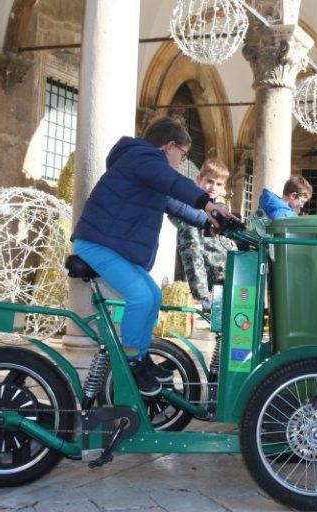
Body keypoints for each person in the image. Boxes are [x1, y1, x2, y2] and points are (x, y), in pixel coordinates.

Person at [71, 116, 237, 396]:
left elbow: (178, 205)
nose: (181, 162)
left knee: (153, 296)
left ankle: (142, 357)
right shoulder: (143, 158)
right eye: (182, 155)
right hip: (96, 244)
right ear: (168, 146)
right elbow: (174, 184)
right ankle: (133, 363)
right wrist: (209, 205)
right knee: (141, 297)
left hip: (111, 246)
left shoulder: (148, 171)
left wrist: (211, 222)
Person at [170, 158, 237, 308]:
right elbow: (192, 250)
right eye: (210, 181)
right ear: (199, 179)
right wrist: (203, 296)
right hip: (209, 287)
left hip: (229, 281)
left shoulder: (221, 209)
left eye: (219, 184)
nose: (213, 187)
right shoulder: (190, 211)